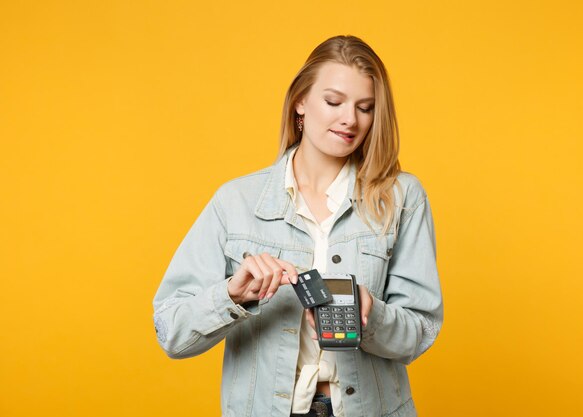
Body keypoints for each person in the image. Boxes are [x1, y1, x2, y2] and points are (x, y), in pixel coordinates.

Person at [153, 35, 443, 417]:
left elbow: (419, 331)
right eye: (334, 102)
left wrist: (372, 316)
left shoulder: (402, 198)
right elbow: (172, 333)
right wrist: (232, 296)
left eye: (366, 107)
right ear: (300, 102)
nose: (350, 119)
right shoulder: (236, 202)